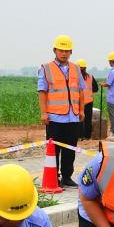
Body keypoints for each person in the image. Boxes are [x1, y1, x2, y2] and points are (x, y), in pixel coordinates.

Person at [38, 35, 86, 188]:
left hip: (73, 117)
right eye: (61, 50)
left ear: (71, 52)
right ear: (54, 50)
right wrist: (44, 113)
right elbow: (42, 92)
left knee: (70, 149)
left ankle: (66, 176)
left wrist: (82, 110)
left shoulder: (76, 68)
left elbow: (81, 91)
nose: (64, 53)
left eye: (67, 51)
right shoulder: (46, 68)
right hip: (55, 117)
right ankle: (54, 177)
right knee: (54, 150)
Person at [77, 59, 99, 141]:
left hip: (78, 101)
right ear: (85, 68)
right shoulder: (90, 77)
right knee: (88, 120)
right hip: (89, 102)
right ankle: (88, 136)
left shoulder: (75, 77)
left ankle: (80, 136)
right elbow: (96, 88)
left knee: (79, 120)